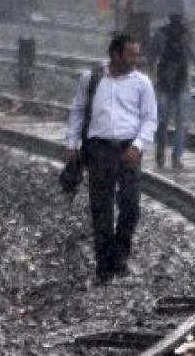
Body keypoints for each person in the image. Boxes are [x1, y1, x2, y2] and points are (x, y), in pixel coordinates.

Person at [65, 34, 158, 283]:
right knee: (101, 208)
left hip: (129, 149)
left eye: (137, 54)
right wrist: (72, 144)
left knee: (131, 206)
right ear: (115, 55)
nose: (135, 60)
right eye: (131, 55)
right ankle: (104, 266)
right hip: (99, 149)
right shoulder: (92, 79)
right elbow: (78, 111)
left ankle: (120, 256)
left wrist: (138, 146)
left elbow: (150, 119)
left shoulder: (142, 83)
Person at [149, 13, 195, 168]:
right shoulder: (188, 34)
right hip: (181, 83)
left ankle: (162, 155)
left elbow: (151, 57)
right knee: (179, 122)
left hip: (166, 81)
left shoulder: (160, 33)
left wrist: (154, 73)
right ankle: (175, 157)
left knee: (163, 121)